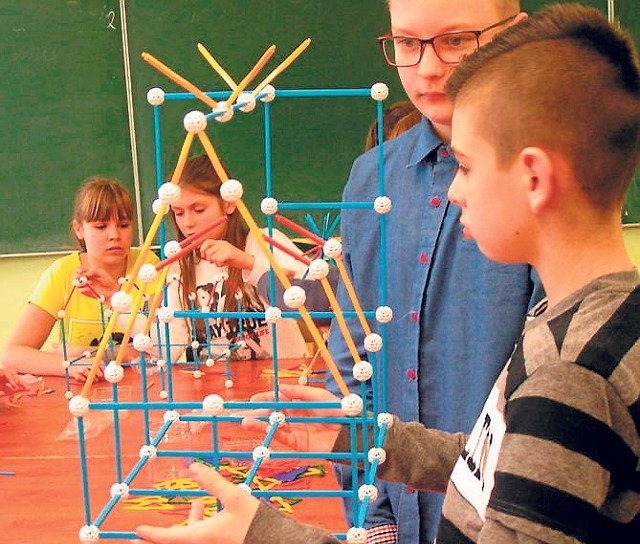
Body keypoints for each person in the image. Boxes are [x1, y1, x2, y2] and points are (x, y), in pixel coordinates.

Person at [131, 4, 640, 543]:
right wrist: (375, 443)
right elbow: (499, 465)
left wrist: (265, 535)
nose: (455, 189)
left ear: (533, 176)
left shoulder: (569, 378)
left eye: (464, 167)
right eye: (405, 43)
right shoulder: (577, 328)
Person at [327, 1, 541, 541]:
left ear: (512, 36)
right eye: (406, 44)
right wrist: (371, 514)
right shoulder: (371, 177)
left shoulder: (542, 178)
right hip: (396, 517)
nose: (427, 69)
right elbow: (353, 358)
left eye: (455, 40)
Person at [0, 177, 160, 381]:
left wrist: (84, 353)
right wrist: (68, 366)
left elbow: (164, 347)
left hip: (143, 389)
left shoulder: (148, 267)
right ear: (79, 229)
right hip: (85, 390)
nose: (114, 235)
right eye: (101, 226)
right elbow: (12, 354)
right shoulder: (62, 274)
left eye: (123, 224)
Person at [164, 153, 311, 362]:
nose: (187, 223)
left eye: (198, 209)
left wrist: (246, 262)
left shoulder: (264, 242)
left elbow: (312, 294)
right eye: (178, 213)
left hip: (281, 379)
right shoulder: (180, 266)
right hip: (216, 388)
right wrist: (117, 303)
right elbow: (170, 346)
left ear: (229, 204)